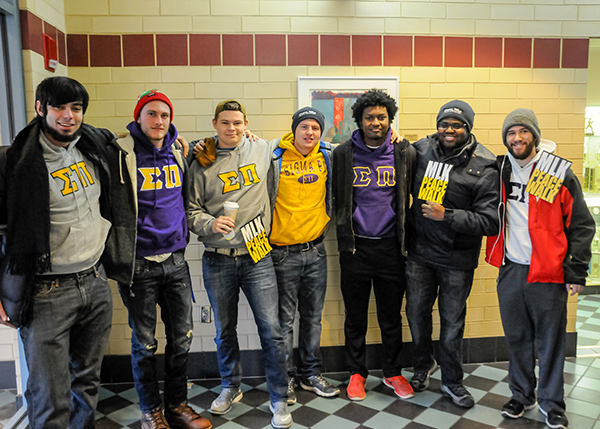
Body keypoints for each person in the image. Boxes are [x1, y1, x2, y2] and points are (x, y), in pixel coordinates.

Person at [0, 76, 114, 428]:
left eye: (76, 108)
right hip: (47, 292)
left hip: (95, 282)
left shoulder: (92, 146)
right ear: (40, 108)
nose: (68, 115)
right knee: (50, 396)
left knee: (87, 385)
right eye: (59, 107)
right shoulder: (14, 162)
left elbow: (134, 138)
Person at [107, 90, 211, 429]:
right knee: (145, 344)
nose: (159, 121)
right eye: (151, 114)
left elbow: (221, 142)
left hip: (175, 261)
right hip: (138, 265)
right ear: (138, 117)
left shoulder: (178, 152)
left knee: (182, 339)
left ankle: (177, 406)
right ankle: (150, 411)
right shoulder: (121, 152)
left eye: (164, 115)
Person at [486, 109, 594, 429]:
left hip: (548, 272)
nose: (517, 138)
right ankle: (521, 396)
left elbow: (581, 224)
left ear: (534, 135)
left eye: (523, 131)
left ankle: (551, 403)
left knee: (550, 342)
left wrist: (576, 271)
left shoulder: (556, 172)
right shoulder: (499, 169)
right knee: (517, 338)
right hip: (511, 269)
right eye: (511, 133)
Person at [187, 100, 292, 429]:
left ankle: (278, 397)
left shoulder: (261, 149)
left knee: (271, 330)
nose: (231, 128)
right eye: (225, 123)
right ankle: (231, 387)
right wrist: (210, 223)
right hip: (217, 256)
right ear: (214, 124)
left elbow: (309, 140)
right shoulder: (201, 160)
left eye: (237, 123)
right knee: (224, 330)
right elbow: (190, 211)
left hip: (257, 253)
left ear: (246, 124)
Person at [405, 100, 499, 408]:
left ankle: (452, 381)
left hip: (457, 260)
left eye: (457, 125)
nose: (449, 130)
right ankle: (423, 366)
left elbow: (490, 222)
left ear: (468, 129)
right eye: (444, 124)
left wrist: (447, 215)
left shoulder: (485, 164)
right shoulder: (420, 150)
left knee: (452, 324)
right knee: (416, 315)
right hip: (420, 253)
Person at [332, 89, 416, 401]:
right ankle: (356, 373)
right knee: (355, 317)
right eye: (369, 117)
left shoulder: (404, 151)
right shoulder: (343, 153)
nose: (376, 122)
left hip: (392, 248)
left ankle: (393, 372)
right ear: (360, 120)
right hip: (355, 248)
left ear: (390, 120)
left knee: (391, 317)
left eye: (382, 117)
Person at [268, 107, 339, 404]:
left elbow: (361, 147)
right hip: (282, 254)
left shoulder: (328, 155)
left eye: (315, 128)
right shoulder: (274, 155)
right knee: (284, 322)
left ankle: (310, 374)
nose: (310, 132)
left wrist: (395, 135)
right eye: (304, 127)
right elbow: (237, 144)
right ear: (294, 129)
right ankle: (284, 379)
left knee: (312, 318)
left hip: (316, 251)